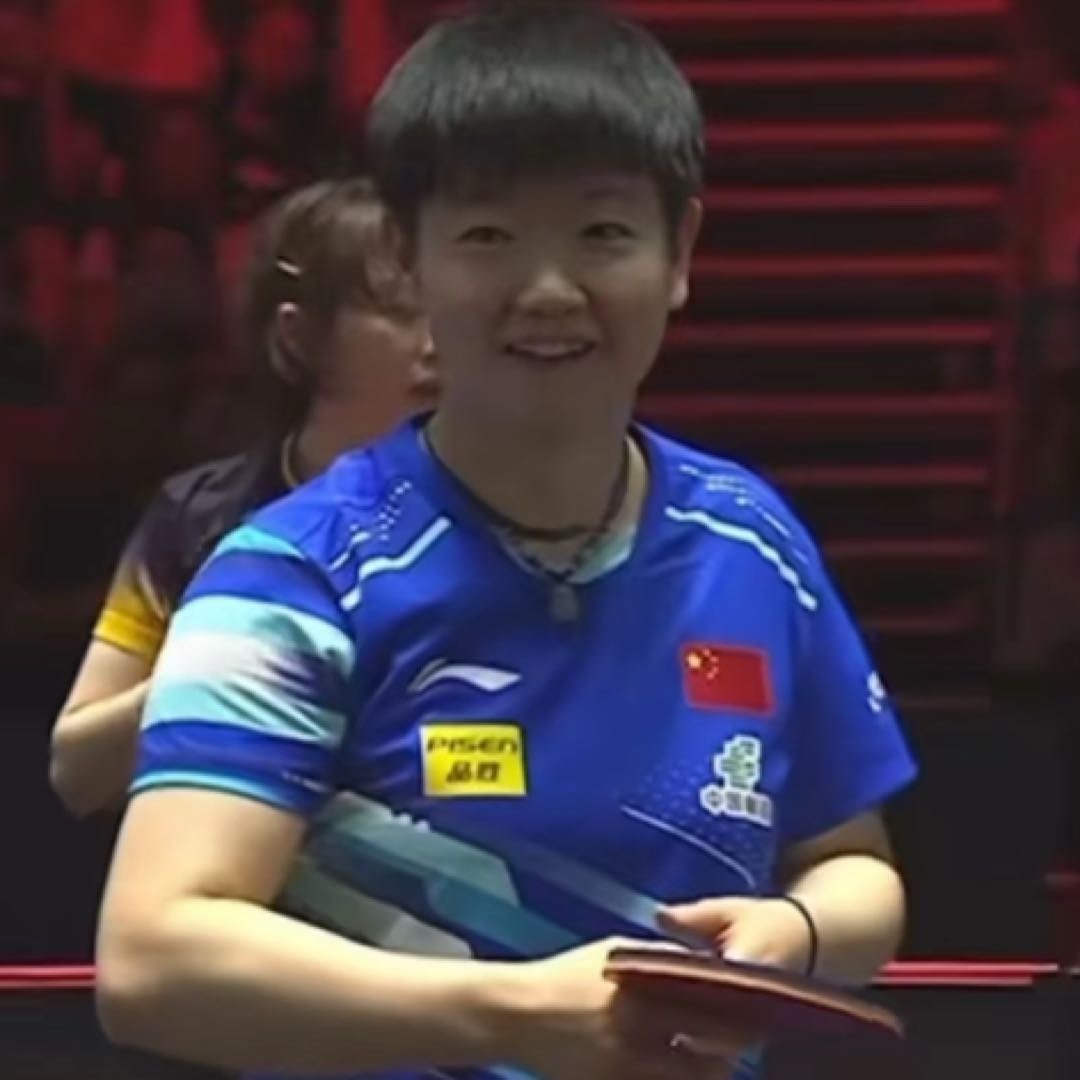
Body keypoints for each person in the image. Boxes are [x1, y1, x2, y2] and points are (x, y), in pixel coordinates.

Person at [94, 5, 917, 1080]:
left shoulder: (752, 543)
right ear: (408, 258)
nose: (549, 290)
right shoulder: (294, 575)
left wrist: (798, 933)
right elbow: (154, 960)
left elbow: (856, 868)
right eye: (488, 236)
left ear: (679, 253)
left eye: (602, 234)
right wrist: (511, 1014)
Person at [49, 177, 436, 817]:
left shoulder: (508, 506)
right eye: (401, 311)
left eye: (449, 307)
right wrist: (235, 659)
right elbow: (77, 771)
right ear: (299, 337)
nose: (438, 341)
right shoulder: (199, 517)